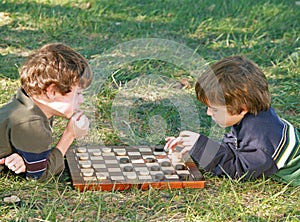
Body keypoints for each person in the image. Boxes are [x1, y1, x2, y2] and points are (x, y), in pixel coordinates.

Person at [165, 56, 299, 186]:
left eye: (214, 109)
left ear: (242, 109)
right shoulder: (252, 115)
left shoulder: (260, 142)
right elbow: (233, 147)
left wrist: (202, 147)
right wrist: (194, 149)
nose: (208, 113)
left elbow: (238, 170)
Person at [0, 43, 92, 180]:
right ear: (52, 91)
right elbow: (40, 174)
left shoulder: (25, 104)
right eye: (78, 93)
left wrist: (25, 159)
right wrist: (70, 135)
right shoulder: (31, 122)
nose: (82, 100)